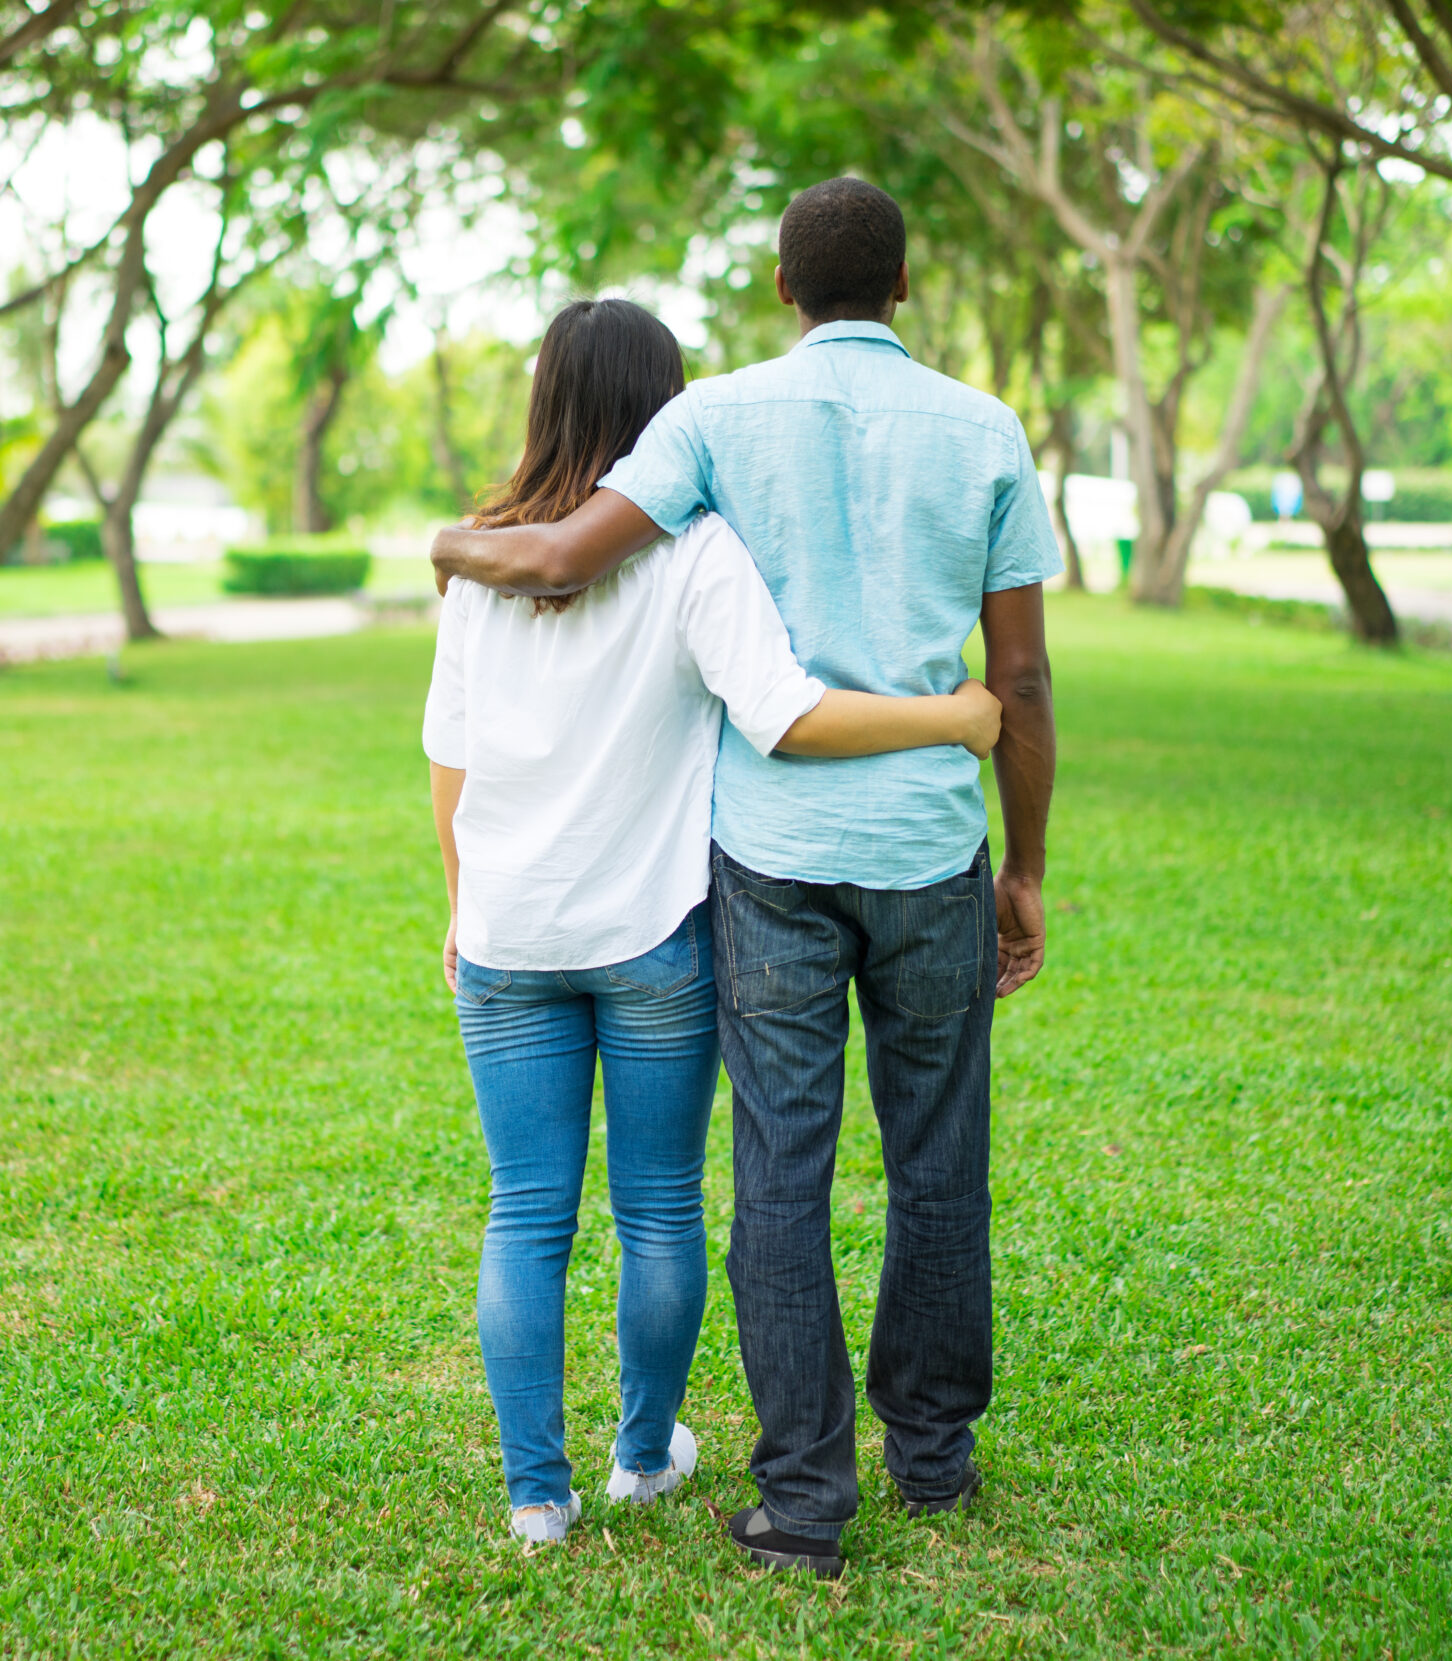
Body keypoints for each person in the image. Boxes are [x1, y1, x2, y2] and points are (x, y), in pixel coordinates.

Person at [430, 178, 1060, 1579]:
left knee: (777, 1174)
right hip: (923, 845)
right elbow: (1016, 674)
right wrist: (1022, 864)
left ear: (784, 286)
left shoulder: (711, 420)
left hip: (766, 861)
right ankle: (934, 1458)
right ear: (903, 288)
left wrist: (452, 546)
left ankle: (802, 1496)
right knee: (938, 1158)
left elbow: (550, 567)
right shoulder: (988, 430)